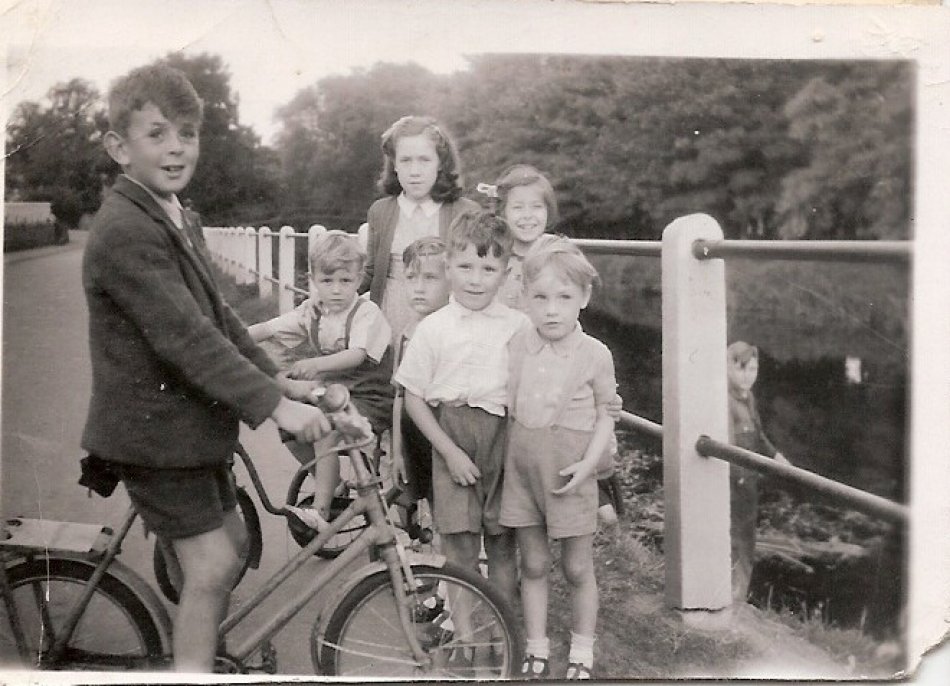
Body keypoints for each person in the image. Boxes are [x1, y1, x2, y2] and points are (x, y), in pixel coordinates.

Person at [82, 63, 331, 672]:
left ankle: (202, 644)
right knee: (213, 566)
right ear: (120, 147)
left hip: (189, 434)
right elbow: (189, 341)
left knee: (237, 545)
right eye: (157, 133)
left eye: (187, 134)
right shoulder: (124, 232)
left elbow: (222, 322)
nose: (176, 148)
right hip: (155, 438)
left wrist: (283, 384)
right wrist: (276, 406)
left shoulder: (174, 214)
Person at [394, 210, 527, 617]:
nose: (475, 278)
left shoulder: (518, 326)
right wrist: (448, 452)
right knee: (460, 549)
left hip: (502, 441)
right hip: (450, 436)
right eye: (465, 266)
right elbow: (413, 396)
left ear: (505, 274)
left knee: (503, 546)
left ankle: (501, 633)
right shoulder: (433, 328)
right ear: (449, 267)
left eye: (488, 268)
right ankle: (464, 641)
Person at [500, 237, 616, 681]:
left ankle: (583, 649)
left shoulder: (594, 354)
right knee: (532, 563)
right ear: (525, 298)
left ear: (583, 299)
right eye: (541, 298)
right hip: (524, 470)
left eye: (564, 298)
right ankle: (536, 645)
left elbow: (608, 412)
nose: (552, 310)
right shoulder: (518, 344)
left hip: (570, 472)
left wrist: (590, 465)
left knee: (576, 565)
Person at [493, 164, 625, 527]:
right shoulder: (498, 257)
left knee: (582, 415)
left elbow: (572, 304)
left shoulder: (559, 250)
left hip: (558, 357)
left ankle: (597, 484)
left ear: (548, 211)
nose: (527, 216)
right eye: (517, 207)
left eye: (536, 207)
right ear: (502, 213)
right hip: (516, 358)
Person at [249, 230, 393, 530]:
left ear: (358, 279)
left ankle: (322, 509)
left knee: (326, 427)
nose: (337, 290)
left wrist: (315, 364)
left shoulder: (367, 313)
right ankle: (334, 482)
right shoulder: (312, 312)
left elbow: (357, 355)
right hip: (334, 392)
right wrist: (231, 336)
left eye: (346, 281)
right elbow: (270, 328)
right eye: (327, 282)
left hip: (371, 395)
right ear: (313, 280)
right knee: (291, 422)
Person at [360, 115, 480, 345]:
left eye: (424, 160)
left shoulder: (465, 211)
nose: (415, 171)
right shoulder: (380, 211)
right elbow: (371, 273)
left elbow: (473, 275)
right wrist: (326, 299)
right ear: (394, 164)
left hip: (445, 330)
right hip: (390, 326)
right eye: (405, 160)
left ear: (440, 163)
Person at [390, 237, 452, 521]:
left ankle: (446, 559)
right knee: (407, 500)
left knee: (445, 504)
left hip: (443, 430)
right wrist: (396, 450)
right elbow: (399, 395)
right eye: (411, 278)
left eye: (430, 278)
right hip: (411, 432)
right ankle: (416, 555)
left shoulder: (452, 330)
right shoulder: (405, 333)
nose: (419, 287)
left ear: (450, 280)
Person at [727, 341, 789, 603]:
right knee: (731, 541)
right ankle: (728, 597)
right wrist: (738, 476)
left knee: (747, 541)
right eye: (741, 369)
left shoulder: (748, 399)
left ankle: (739, 598)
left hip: (747, 486)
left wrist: (778, 458)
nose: (748, 375)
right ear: (728, 367)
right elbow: (727, 447)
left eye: (753, 369)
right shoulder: (724, 401)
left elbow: (759, 437)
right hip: (730, 484)